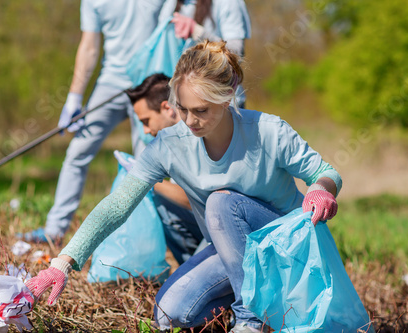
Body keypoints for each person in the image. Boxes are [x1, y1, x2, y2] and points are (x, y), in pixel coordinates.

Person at [25, 41, 342, 333]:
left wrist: (321, 188)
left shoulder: (268, 131)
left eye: (201, 110)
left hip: (286, 249)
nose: (190, 121)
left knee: (221, 203)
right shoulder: (169, 145)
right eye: (182, 109)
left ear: (228, 94)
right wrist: (63, 263)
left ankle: (251, 318)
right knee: (169, 313)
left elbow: (327, 173)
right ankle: (267, 308)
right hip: (235, 255)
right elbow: (118, 204)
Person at [19, 0, 166, 243]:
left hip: (151, 83)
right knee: (77, 151)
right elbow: (89, 46)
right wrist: (74, 98)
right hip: (110, 83)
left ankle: (147, 239)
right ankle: (53, 230)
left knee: (146, 163)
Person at [125, 73, 204, 264]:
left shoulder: (196, 135)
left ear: (167, 108)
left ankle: (195, 268)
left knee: (162, 199)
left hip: (228, 228)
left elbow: (193, 198)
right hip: (208, 223)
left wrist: (148, 180)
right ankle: (193, 266)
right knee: (161, 201)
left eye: (146, 121)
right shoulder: (171, 141)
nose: (145, 130)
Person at [159, 0, 251, 107]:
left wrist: (197, 32)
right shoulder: (170, 4)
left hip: (221, 102)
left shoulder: (228, 3)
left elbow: (236, 52)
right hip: (181, 101)